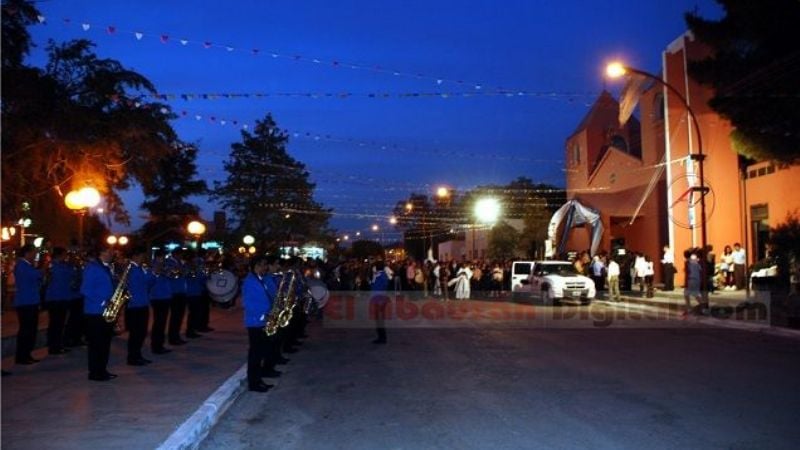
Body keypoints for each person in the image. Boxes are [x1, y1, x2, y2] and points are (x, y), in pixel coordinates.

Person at [81, 247, 117, 381]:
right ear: (101, 252)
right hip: (94, 312)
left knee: (105, 343)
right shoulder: (92, 267)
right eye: (110, 251)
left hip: (105, 311)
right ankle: (95, 372)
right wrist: (103, 301)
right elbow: (85, 289)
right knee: (96, 344)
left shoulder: (107, 267)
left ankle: (102, 370)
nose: (112, 253)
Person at [242, 255, 273, 392]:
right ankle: (254, 383)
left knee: (260, 353)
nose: (265, 267)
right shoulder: (250, 281)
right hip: (255, 322)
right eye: (263, 265)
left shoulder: (260, 279)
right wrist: (263, 315)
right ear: (256, 266)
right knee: (255, 354)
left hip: (261, 321)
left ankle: (258, 380)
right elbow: (248, 304)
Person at [14, 245, 43, 365]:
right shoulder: (22, 265)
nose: (35, 256)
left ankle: (26, 354)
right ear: (27, 253)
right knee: (26, 330)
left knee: (30, 329)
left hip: (30, 301)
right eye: (33, 253)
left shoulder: (26, 266)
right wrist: (42, 269)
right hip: (25, 302)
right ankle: (22, 356)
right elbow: (37, 275)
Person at [43, 247, 75, 355]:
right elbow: (70, 273)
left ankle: (56, 345)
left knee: (58, 324)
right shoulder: (55, 265)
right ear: (59, 255)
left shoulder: (59, 265)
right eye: (65, 254)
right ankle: (54, 347)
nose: (66, 256)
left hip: (60, 297)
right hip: (57, 298)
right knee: (56, 324)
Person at [125, 247, 152, 366]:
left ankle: (137, 355)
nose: (143, 258)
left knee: (141, 333)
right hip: (135, 305)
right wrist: (151, 273)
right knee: (136, 333)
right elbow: (143, 282)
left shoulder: (139, 268)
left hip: (142, 303)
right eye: (142, 256)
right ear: (135, 256)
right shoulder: (131, 268)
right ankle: (133, 357)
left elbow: (149, 283)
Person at [149, 250, 173, 355]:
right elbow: (156, 274)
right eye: (163, 257)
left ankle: (159, 344)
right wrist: (162, 268)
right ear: (159, 257)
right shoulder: (154, 266)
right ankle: (156, 346)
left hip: (165, 296)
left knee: (162, 322)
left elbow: (170, 275)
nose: (164, 259)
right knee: (159, 322)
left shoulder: (163, 266)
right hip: (158, 297)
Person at [165, 249, 188, 345]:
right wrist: (182, 268)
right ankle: (173, 337)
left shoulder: (180, 263)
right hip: (175, 292)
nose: (181, 257)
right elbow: (173, 274)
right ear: (175, 254)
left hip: (181, 291)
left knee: (180, 316)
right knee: (175, 316)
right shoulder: (170, 263)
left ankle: (176, 335)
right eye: (180, 255)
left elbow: (184, 272)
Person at [370, 260, 391, 344]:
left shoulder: (382, 275)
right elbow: (373, 285)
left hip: (380, 298)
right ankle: (380, 337)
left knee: (379, 318)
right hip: (377, 298)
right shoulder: (377, 275)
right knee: (377, 318)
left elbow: (384, 285)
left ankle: (382, 338)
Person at [683, 251, 706, 317]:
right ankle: (690, 308)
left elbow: (687, 273)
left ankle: (701, 308)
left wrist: (686, 283)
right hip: (697, 279)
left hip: (691, 279)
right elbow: (700, 270)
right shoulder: (696, 261)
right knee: (689, 294)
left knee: (691, 295)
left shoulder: (687, 262)